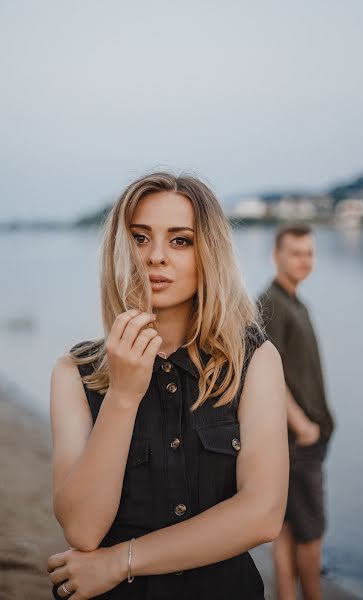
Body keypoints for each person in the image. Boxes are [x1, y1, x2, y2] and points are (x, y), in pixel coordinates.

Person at [47, 172, 288, 600]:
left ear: (208, 252)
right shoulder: (74, 373)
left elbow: (262, 515)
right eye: (140, 238)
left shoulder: (255, 361)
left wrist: (120, 561)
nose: (155, 256)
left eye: (180, 240)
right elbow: (82, 528)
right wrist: (123, 395)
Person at [257, 224, 335, 600]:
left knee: (287, 527)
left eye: (310, 253)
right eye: (296, 253)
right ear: (277, 256)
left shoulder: (294, 301)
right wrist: (303, 425)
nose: (305, 260)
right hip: (297, 442)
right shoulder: (271, 303)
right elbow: (267, 374)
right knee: (313, 534)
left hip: (299, 441)